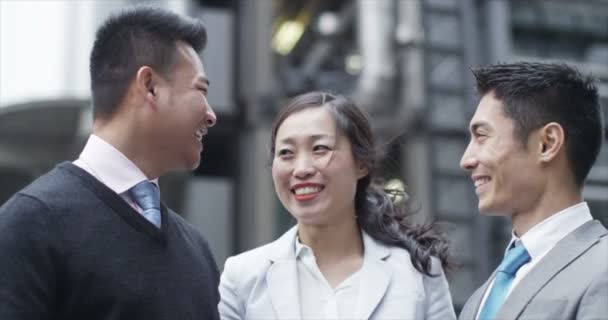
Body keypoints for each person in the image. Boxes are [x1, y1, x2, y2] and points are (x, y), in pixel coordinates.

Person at [0, 6, 220, 320]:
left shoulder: (197, 250)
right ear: (150, 86)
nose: (212, 115)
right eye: (200, 89)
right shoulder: (31, 222)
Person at [218, 91, 456, 319]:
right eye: (286, 153)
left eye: (319, 148)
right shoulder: (242, 277)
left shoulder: (419, 273)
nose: (301, 169)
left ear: (361, 163)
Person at [458, 62, 607, 320]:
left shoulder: (601, 269)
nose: (466, 160)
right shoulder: (479, 300)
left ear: (547, 143)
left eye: (482, 136)